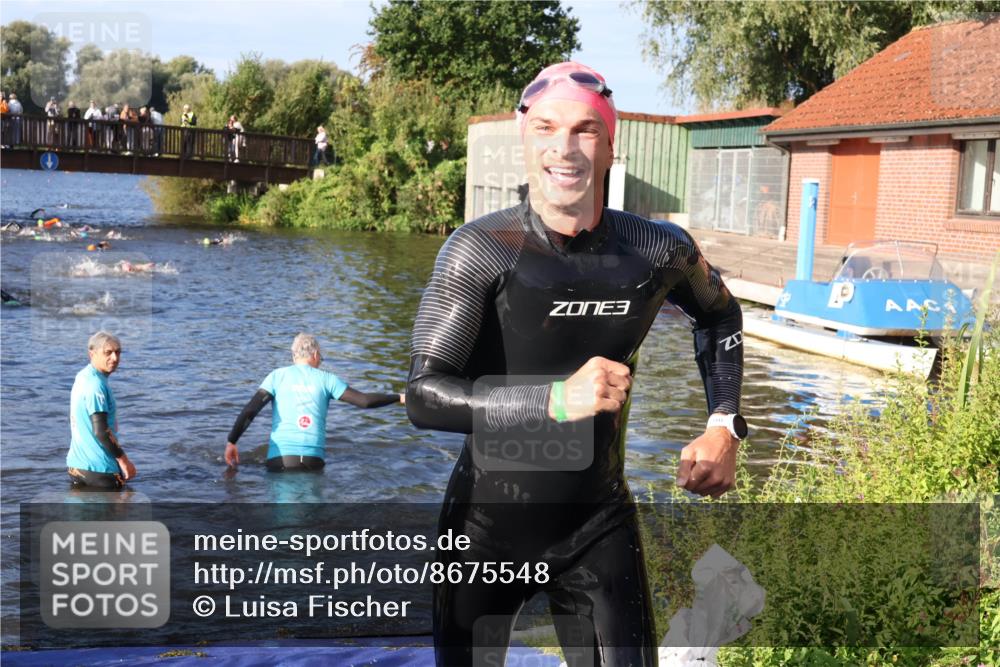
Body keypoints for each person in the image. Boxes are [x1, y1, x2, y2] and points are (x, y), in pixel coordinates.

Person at [406, 62, 746, 666]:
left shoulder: (656, 250)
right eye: (546, 128)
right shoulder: (481, 250)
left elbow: (720, 315)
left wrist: (723, 425)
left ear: (612, 146)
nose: (564, 149)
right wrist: (556, 400)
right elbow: (425, 396)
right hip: (484, 529)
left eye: (586, 130)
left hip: (598, 524)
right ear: (525, 139)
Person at [225, 333, 404, 472]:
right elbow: (365, 401)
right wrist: (399, 397)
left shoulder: (276, 376)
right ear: (316, 355)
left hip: (280, 460)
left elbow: (250, 410)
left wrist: (232, 441)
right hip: (313, 461)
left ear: (293, 356)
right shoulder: (328, 379)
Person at [67, 332, 137, 490]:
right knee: (120, 513)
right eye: (108, 352)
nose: (115, 358)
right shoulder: (96, 386)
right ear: (92, 354)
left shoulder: (82, 376)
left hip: (76, 467)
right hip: (101, 470)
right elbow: (101, 431)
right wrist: (124, 461)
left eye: (117, 352)